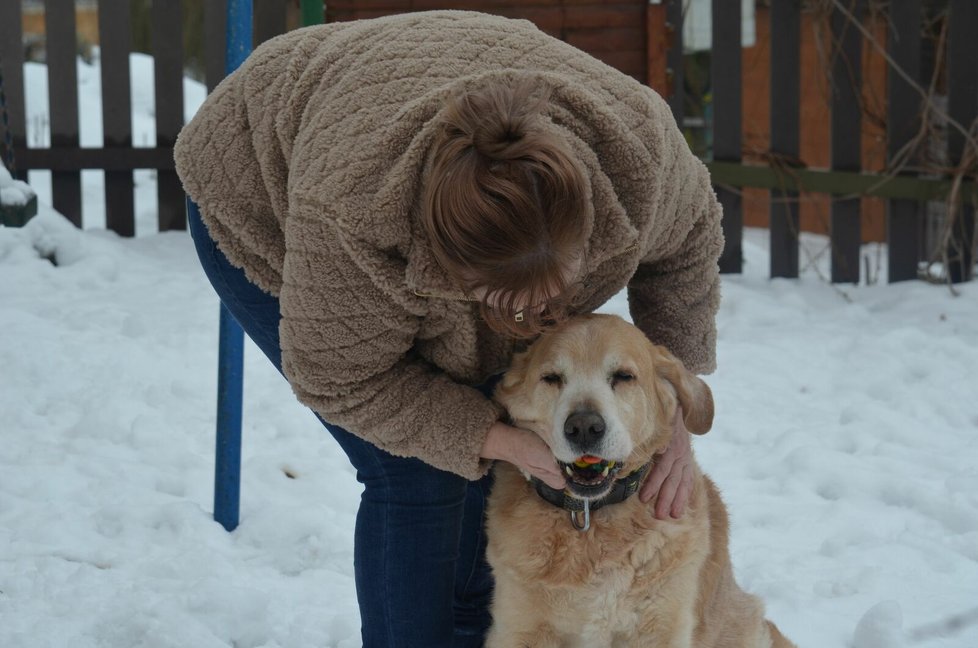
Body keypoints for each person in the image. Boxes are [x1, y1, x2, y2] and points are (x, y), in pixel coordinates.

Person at [175, 10, 722, 648]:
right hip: (259, 191)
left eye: (558, 292)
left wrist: (671, 409)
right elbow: (347, 380)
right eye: (506, 302)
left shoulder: (638, 156)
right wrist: (500, 442)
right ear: (445, 266)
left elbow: (688, 244)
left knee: (493, 436)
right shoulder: (355, 217)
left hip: (404, 94)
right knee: (417, 471)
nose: (535, 317)